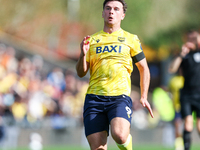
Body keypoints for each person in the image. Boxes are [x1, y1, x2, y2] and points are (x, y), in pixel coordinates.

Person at [76, 0, 154, 149]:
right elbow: (81, 72)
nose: (111, 12)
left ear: (123, 15)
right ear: (102, 13)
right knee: (98, 147)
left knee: (120, 134)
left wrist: (143, 96)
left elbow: (144, 68)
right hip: (94, 98)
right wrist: (82, 54)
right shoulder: (91, 40)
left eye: (116, 9)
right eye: (108, 8)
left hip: (119, 97)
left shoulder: (131, 39)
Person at [169, 30, 200, 150]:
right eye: (190, 39)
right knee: (188, 124)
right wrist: (181, 54)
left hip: (199, 94)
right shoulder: (184, 56)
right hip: (187, 95)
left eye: (195, 39)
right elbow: (172, 69)